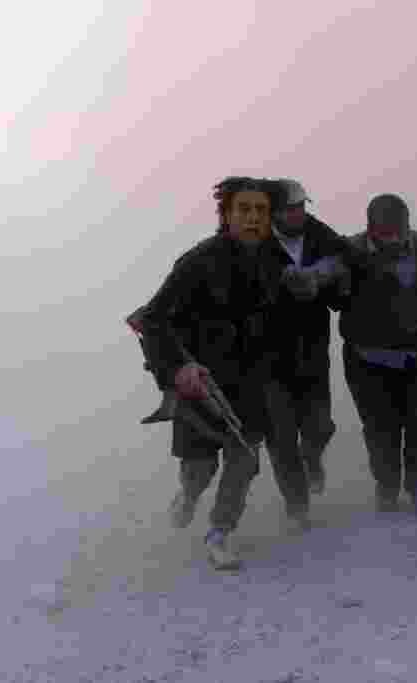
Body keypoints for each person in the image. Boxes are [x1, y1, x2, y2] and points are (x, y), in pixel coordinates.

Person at [134, 176, 289, 571]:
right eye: (244, 209)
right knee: (199, 471)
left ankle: (220, 532)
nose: (253, 218)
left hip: (254, 385)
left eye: (261, 211)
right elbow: (151, 321)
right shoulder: (198, 261)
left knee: (245, 463)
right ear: (226, 214)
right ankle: (187, 497)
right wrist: (178, 368)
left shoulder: (277, 260)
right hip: (200, 387)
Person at [331, 194, 417, 516]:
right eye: (383, 233)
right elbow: (321, 274)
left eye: (397, 231)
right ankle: (387, 486)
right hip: (367, 361)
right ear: (369, 228)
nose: (391, 238)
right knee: (381, 430)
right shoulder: (349, 251)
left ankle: (416, 482)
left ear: (407, 225)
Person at [262, 178, 347, 533]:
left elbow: (346, 255)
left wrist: (318, 275)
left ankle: (312, 459)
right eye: (290, 209)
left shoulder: (317, 233)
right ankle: (297, 505)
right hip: (267, 357)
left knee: (320, 426)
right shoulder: (256, 241)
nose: (298, 214)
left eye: (301, 207)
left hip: (312, 351)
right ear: (274, 213)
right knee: (281, 437)